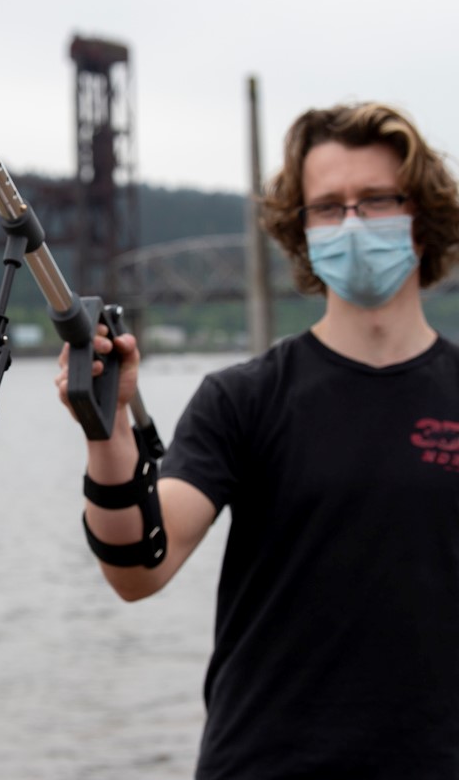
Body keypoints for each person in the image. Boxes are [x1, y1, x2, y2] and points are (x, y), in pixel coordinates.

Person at [55, 101, 459, 779]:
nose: (352, 224)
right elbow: (139, 566)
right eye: (328, 207)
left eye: (376, 200)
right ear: (301, 233)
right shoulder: (243, 398)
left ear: (422, 217)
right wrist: (108, 426)